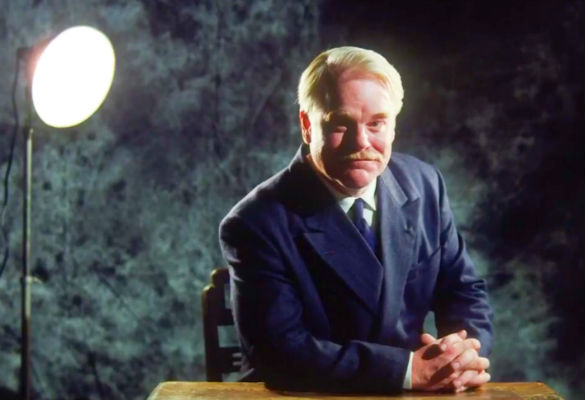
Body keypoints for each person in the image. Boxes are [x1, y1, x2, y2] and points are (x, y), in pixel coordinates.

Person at [219, 46, 493, 393]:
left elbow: (464, 291)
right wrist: (409, 371)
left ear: (393, 126)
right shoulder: (255, 223)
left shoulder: (426, 185)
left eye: (376, 123)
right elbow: (280, 353)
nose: (361, 142)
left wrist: (461, 356)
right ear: (307, 125)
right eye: (341, 123)